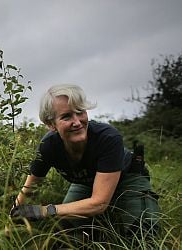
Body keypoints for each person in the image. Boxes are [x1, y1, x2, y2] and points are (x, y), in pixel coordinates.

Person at [10, 84, 160, 242]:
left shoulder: (108, 138)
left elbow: (99, 203)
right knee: (63, 233)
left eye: (80, 112)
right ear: (51, 124)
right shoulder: (48, 146)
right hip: (87, 182)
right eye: (66, 116)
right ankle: (99, 236)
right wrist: (6, 229)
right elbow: (29, 190)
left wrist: (45, 210)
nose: (77, 122)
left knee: (143, 235)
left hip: (128, 177)